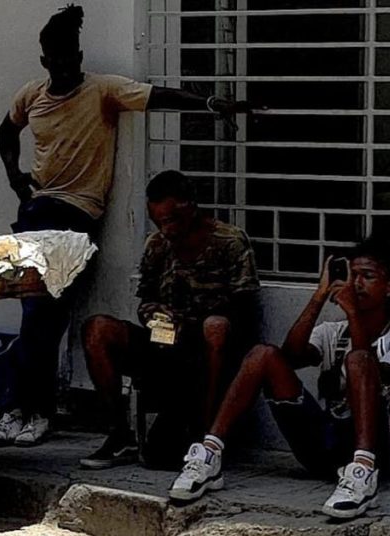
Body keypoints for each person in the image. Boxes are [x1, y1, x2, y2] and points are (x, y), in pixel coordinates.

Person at [0, 4, 257, 448]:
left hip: (75, 217)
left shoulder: (102, 91)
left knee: (46, 313)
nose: (65, 66)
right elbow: (6, 131)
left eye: (72, 57)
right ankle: (22, 408)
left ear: (79, 55)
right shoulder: (31, 95)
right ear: (45, 61)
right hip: (36, 213)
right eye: (56, 59)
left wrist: (211, 103)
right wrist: (14, 176)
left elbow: (157, 97)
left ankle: (34, 410)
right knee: (33, 313)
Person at [169, 237, 390, 520]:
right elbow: (290, 356)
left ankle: (362, 476)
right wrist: (318, 297)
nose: (356, 283)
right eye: (353, 275)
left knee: (359, 360)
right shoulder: (333, 332)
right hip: (324, 447)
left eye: (367, 276)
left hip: (376, 454)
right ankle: (209, 454)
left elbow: (364, 368)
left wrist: (352, 311)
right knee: (262, 354)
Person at [77, 170, 260, 470]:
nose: (167, 229)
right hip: (164, 343)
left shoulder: (229, 240)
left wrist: (194, 322)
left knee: (215, 328)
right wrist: (153, 314)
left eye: (172, 220)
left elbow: (244, 307)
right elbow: (145, 298)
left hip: (207, 348)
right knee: (97, 329)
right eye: (159, 222)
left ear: (191, 207)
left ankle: (206, 434)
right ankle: (119, 433)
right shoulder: (157, 244)